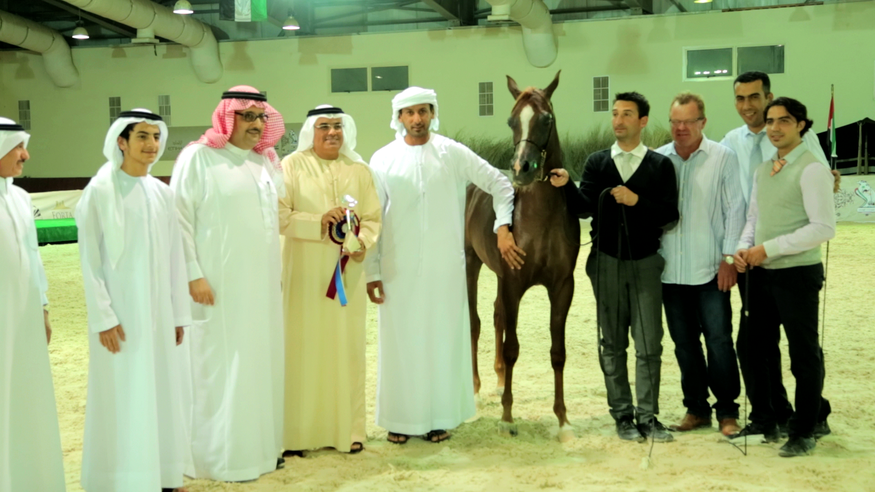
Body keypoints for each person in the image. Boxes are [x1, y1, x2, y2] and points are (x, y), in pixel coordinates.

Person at [365, 87, 523, 444]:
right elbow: (373, 219)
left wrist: (502, 226)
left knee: (441, 341)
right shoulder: (383, 159)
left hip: (445, 271)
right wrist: (372, 271)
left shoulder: (452, 153)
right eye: (410, 113)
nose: (417, 119)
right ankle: (400, 419)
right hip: (397, 270)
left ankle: (439, 417)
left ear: (433, 113)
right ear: (399, 117)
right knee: (401, 344)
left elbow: (500, 184)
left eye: (423, 111)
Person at [170, 86, 285, 481]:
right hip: (216, 286)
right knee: (219, 369)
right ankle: (219, 458)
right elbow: (179, 220)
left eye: (261, 117)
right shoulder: (198, 157)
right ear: (227, 117)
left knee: (259, 363)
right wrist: (192, 273)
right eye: (246, 116)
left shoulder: (264, 161)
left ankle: (260, 451)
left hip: (261, 288)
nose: (256, 124)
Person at [550, 92, 679, 443]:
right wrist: (567, 186)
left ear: (642, 121)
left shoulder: (660, 165)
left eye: (627, 114)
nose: (618, 120)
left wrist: (637, 201)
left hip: (646, 264)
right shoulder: (597, 162)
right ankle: (622, 415)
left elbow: (669, 215)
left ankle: (648, 417)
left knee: (649, 344)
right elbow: (584, 207)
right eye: (615, 114)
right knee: (612, 343)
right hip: (606, 262)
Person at [76, 109, 190, 492]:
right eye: (142, 136)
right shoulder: (99, 191)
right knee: (124, 394)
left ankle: (163, 475)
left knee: (161, 391)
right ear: (121, 142)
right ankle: (123, 479)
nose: (152, 145)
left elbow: (175, 259)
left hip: (159, 315)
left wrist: (177, 314)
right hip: (120, 318)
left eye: (156, 137)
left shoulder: (162, 193)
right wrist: (103, 318)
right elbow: (90, 261)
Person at [720, 71, 835, 437]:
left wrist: (766, 249)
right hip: (757, 269)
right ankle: (768, 417)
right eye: (770, 122)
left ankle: (809, 423)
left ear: (800, 125)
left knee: (803, 353)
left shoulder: (810, 162)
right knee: (754, 348)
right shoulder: (757, 164)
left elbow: (823, 223)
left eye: (783, 120)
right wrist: (741, 248)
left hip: (795, 270)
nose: (773, 127)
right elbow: (753, 215)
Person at [278, 105, 381, 455]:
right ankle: (297, 435)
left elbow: (372, 218)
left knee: (347, 351)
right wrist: (319, 221)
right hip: (304, 275)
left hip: (347, 276)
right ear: (311, 131)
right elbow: (280, 215)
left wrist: (361, 242)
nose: (332, 132)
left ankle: (348, 431)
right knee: (302, 349)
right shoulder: (291, 166)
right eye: (324, 126)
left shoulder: (359, 170)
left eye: (337, 126)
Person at [654, 93, 745, 437]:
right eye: (675, 121)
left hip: (711, 270)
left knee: (719, 342)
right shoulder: (658, 159)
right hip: (671, 273)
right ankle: (696, 409)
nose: (681, 128)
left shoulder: (723, 157)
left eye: (688, 121)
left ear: (702, 122)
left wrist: (729, 258)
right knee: (684, 345)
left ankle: (728, 411)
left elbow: (735, 211)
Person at [0, 117, 66, 491]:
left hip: (24, 317)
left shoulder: (21, 199)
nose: (26, 155)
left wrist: (42, 307)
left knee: (25, 394)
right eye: (18, 147)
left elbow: (33, 257)